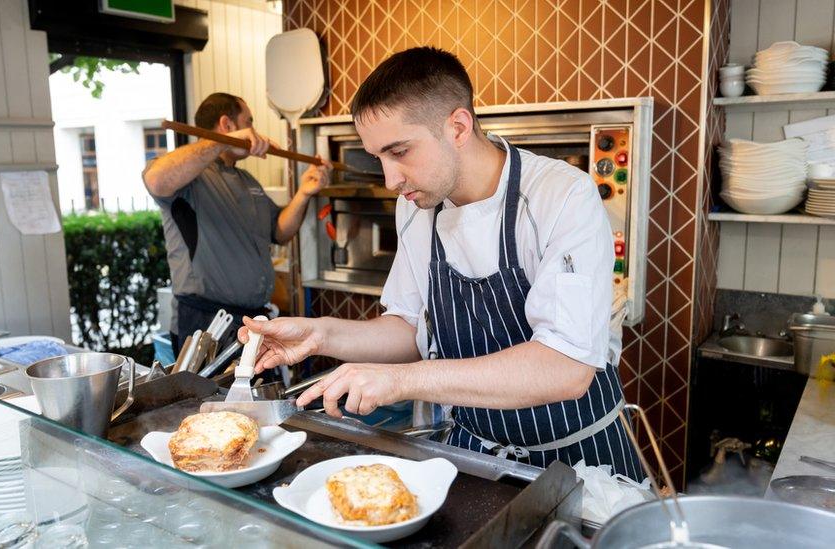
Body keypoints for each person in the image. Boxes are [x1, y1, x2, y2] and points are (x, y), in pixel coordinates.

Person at [238, 48, 644, 479]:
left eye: (400, 152)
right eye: (379, 158)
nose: (391, 180)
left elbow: (566, 368)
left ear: (458, 126)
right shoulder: (417, 207)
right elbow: (410, 329)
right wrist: (317, 335)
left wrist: (400, 381)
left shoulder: (561, 197)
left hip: (579, 462)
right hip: (474, 457)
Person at [143, 93, 331, 354]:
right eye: (249, 122)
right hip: (206, 323)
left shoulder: (247, 181)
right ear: (227, 125)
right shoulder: (192, 179)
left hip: (250, 320)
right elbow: (156, 179)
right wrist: (219, 144)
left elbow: (279, 232)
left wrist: (304, 193)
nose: (253, 131)